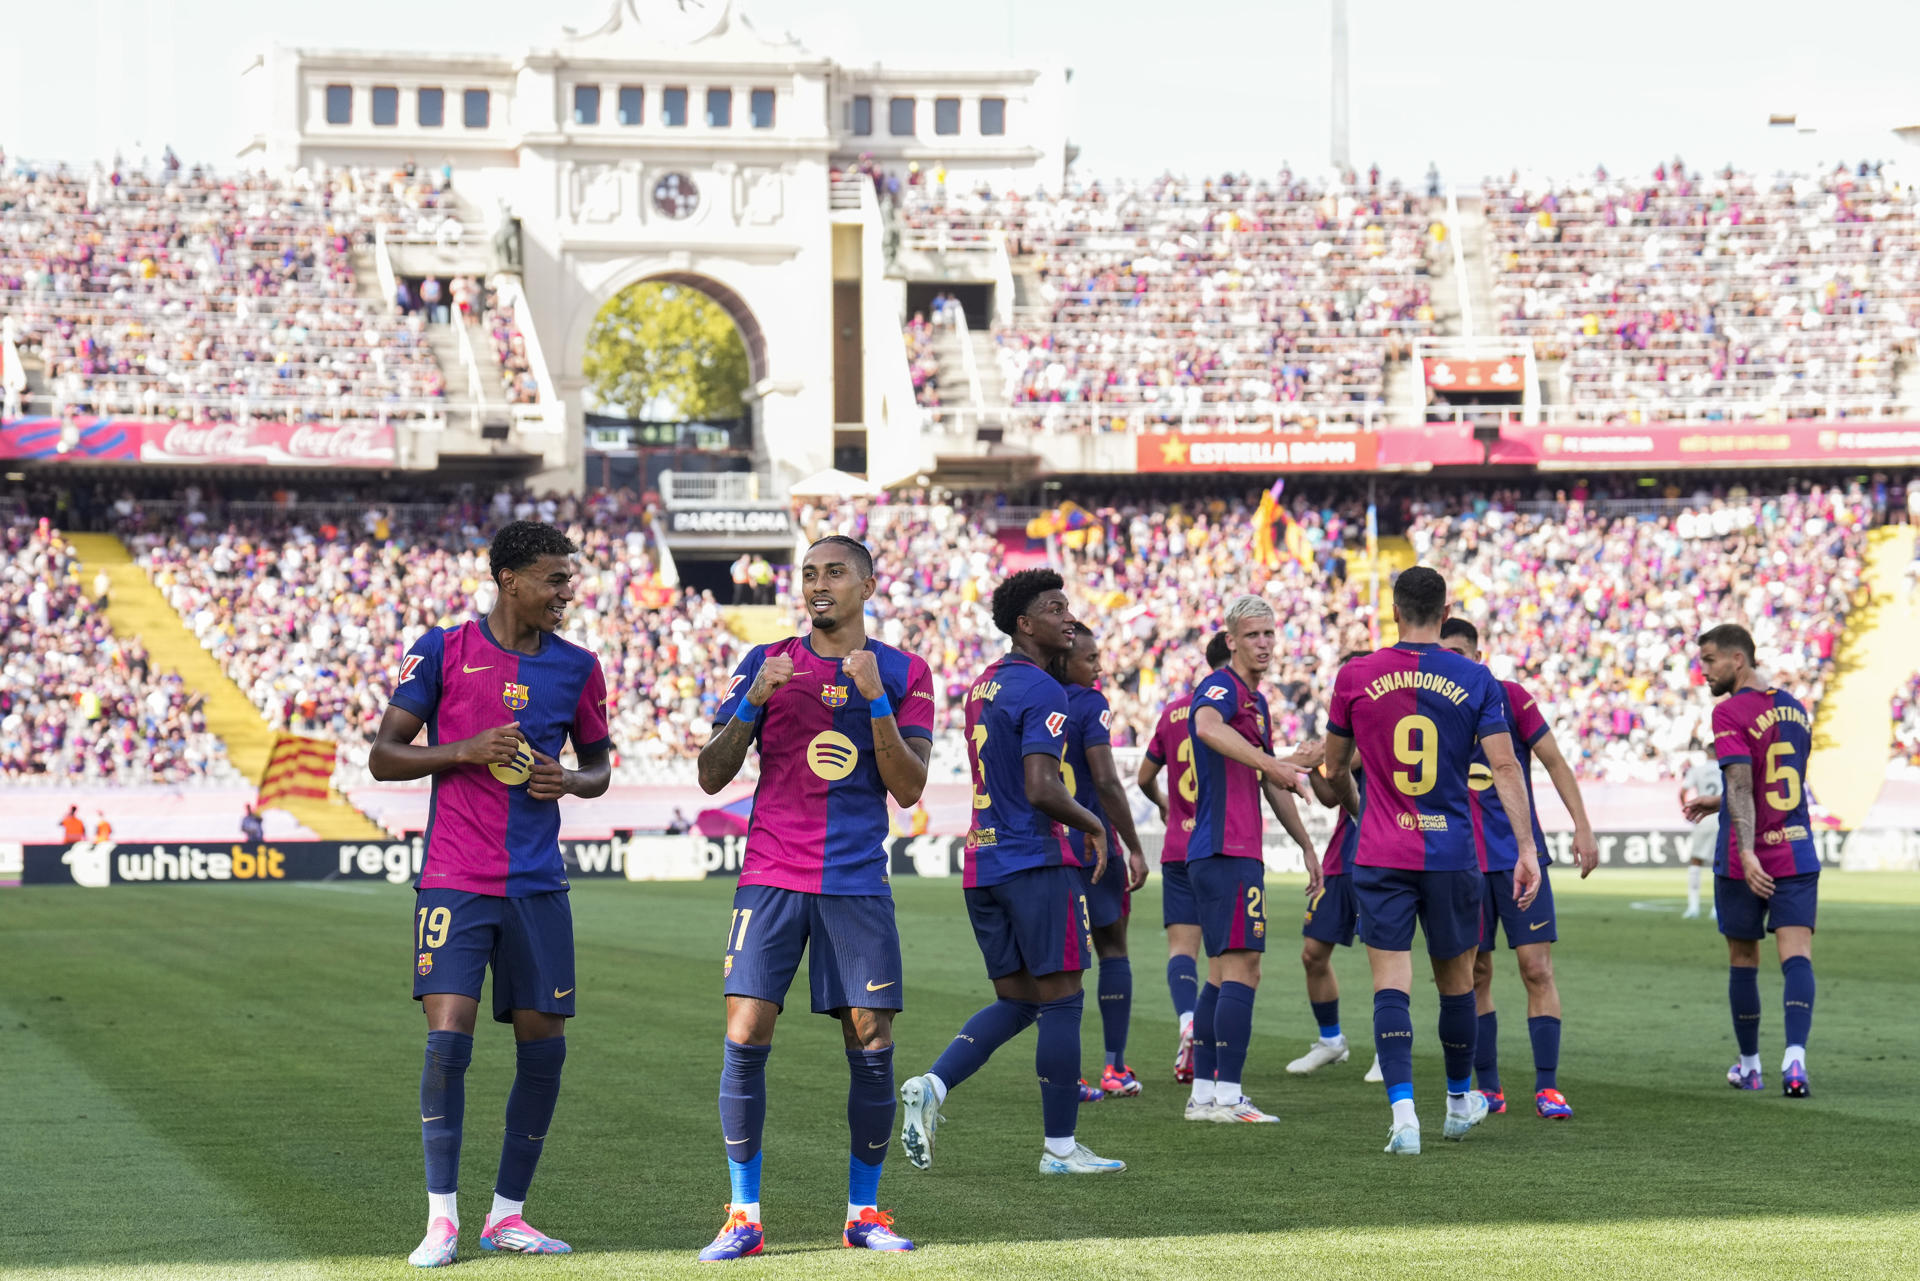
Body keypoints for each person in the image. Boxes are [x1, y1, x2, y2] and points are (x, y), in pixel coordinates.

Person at [369, 520, 612, 1267]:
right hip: (455, 878)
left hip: (538, 884)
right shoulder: (444, 649)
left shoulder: (579, 668)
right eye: (554, 578)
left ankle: (506, 1215)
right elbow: (384, 754)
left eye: (569, 579)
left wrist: (567, 779)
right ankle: (441, 1218)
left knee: (544, 1049)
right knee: (449, 1039)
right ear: (510, 579)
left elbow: (600, 769)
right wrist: (463, 751)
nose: (566, 592)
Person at [692, 534, 935, 1259]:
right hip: (769, 874)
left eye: (834, 572)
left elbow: (910, 787)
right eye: (808, 574)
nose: (818, 584)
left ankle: (863, 1212)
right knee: (744, 1034)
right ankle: (743, 1215)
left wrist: (874, 699)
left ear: (867, 582)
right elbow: (711, 774)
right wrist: (753, 704)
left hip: (855, 881)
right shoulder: (764, 664)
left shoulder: (904, 670)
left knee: (871, 1038)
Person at [897, 569, 1124, 1176]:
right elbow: (1041, 787)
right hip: (1034, 860)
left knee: (1018, 1000)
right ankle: (1060, 1150)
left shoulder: (983, 685)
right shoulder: (1045, 690)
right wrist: (1095, 825)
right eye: (1056, 608)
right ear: (1026, 624)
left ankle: (934, 1086)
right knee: (1064, 1002)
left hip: (983, 862)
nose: (1069, 618)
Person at [1323, 566, 1540, 1156]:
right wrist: (1525, 849)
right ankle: (1456, 1101)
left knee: (1390, 983)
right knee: (1456, 985)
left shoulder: (1355, 675)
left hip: (1380, 851)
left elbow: (1334, 772)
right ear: (1445, 615)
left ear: (1394, 612)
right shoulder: (1475, 677)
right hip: (1450, 852)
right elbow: (1504, 767)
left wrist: (1352, 803)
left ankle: (1402, 1114)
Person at [1438, 619, 1600, 1120]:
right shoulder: (1430, 701)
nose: (1455, 662)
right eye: (1445, 653)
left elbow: (1554, 762)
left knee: (1537, 967)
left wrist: (1582, 826)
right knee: (1476, 972)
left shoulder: (1510, 697)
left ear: (1478, 655)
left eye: (1461, 653)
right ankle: (1489, 1088)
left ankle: (1547, 1087)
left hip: (1519, 858)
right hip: (1462, 863)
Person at [1184, 594, 1318, 1125]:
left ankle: (1204, 1094)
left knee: (1220, 973)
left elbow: (1267, 779)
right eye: (1253, 635)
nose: (1263, 643)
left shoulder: (1255, 703)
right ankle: (1230, 1096)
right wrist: (1276, 762)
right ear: (1232, 640)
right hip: (1225, 848)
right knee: (1245, 970)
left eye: (1269, 634)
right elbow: (1207, 727)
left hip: (1229, 849)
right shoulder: (1221, 687)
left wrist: (1307, 844)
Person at [1685, 623, 1819, 1099]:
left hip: (1749, 859)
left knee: (1744, 959)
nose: (1703, 671)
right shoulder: (1797, 709)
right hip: (1798, 848)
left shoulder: (1729, 713)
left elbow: (1744, 784)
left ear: (1737, 660)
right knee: (1797, 956)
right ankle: (1796, 1061)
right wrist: (1719, 802)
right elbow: (1779, 783)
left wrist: (1745, 850)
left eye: (1709, 660)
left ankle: (1750, 1066)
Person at [1047, 626, 1150, 1098]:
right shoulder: (1090, 704)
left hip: (1045, 847)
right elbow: (1107, 782)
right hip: (1092, 847)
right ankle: (1115, 1068)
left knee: (1060, 964)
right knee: (1112, 948)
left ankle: (1068, 1076)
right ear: (1065, 660)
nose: (1099, 668)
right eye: (1090, 659)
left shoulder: (1033, 696)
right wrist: (1133, 845)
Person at [1136, 631, 1229, 1084]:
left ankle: (1187, 1022)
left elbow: (1143, 775)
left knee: (1181, 949)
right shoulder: (1234, 706)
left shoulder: (1174, 711)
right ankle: (1212, 1052)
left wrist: (1163, 804)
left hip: (1176, 845)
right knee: (1224, 955)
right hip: (1219, 844)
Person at [1290, 651, 1383, 1083]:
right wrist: (1314, 765)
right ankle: (1331, 1041)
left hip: (1380, 853)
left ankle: (1389, 1047)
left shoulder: (1379, 725)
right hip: (1342, 854)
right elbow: (1331, 795)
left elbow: (1344, 764)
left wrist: (1313, 760)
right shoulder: (1342, 730)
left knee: (1381, 956)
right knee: (1313, 953)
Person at [1678, 756, 1722, 919]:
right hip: (1723, 815)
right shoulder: (1726, 767)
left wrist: (1686, 810)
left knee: (1696, 861)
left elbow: (1683, 791)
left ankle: (1693, 907)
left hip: (1703, 817)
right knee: (1720, 862)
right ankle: (1717, 909)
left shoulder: (1697, 769)